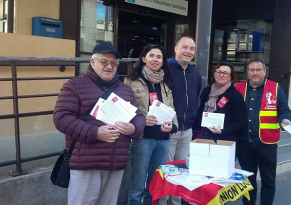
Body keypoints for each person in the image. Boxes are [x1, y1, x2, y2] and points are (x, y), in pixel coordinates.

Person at [53, 41, 146, 205]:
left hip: (115, 163)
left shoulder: (125, 90)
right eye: (104, 62)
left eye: (113, 63)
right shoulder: (74, 85)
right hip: (86, 163)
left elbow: (138, 116)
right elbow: (61, 118)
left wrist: (133, 128)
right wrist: (95, 133)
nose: (109, 67)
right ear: (92, 62)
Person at [123, 44, 178, 205]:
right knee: (138, 185)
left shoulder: (165, 82)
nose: (155, 59)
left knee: (154, 186)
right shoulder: (131, 81)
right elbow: (124, 109)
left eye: (159, 57)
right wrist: (140, 120)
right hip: (143, 138)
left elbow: (172, 108)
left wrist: (172, 127)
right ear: (144, 58)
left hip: (163, 140)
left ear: (163, 61)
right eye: (151, 56)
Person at [235, 58, 291, 205]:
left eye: (258, 70)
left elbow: (285, 110)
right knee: (248, 180)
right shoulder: (238, 87)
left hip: (267, 143)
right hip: (244, 143)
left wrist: (284, 119)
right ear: (247, 72)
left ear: (264, 71)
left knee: (268, 180)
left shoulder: (275, 88)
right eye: (252, 70)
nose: (255, 73)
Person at [160, 36, 202, 205]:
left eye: (191, 49)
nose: (188, 52)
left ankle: (176, 202)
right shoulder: (165, 69)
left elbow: (195, 98)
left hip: (187, 130)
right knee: (166, 170)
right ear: (176, 48)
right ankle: (163, 202)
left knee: (182, 172)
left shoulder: (195, 74)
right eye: (184, 47)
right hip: (169, 130)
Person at [193, 61, 246, 142]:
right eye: (219, 72)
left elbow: (241, 122)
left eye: (225, 73)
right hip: (204, 136)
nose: (221, 75)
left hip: (224, 140)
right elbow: (200, 111)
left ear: (230, 77)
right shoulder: (207, 91)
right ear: (214, 74)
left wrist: (222, 131)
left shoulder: (235, 95)